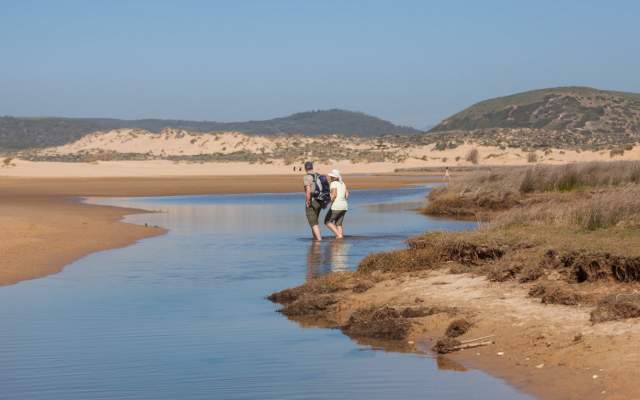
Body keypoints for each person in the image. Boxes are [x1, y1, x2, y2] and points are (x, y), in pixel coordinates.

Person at [303, 161, 328, 241]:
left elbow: (308, 190)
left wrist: (307, 201)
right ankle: (315, 239)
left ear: (305, 168)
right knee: (314, 220)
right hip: (320, 200)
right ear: (312, 167)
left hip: (313, 200)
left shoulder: (307, 177)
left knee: (313, 222)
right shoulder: (318, 175)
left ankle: (319, 240)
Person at [324, 169, 349, 239]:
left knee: (327, 221)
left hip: (336, 205)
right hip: (344, 205)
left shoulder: (333, 183)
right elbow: (347, 194)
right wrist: (342, 200)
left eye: (332, 176)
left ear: (335, 177)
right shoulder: (342, 183)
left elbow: (334, 195)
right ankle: (340, 239)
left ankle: (339, 235)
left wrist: (327, 203)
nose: (330, 177)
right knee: (338, 224)